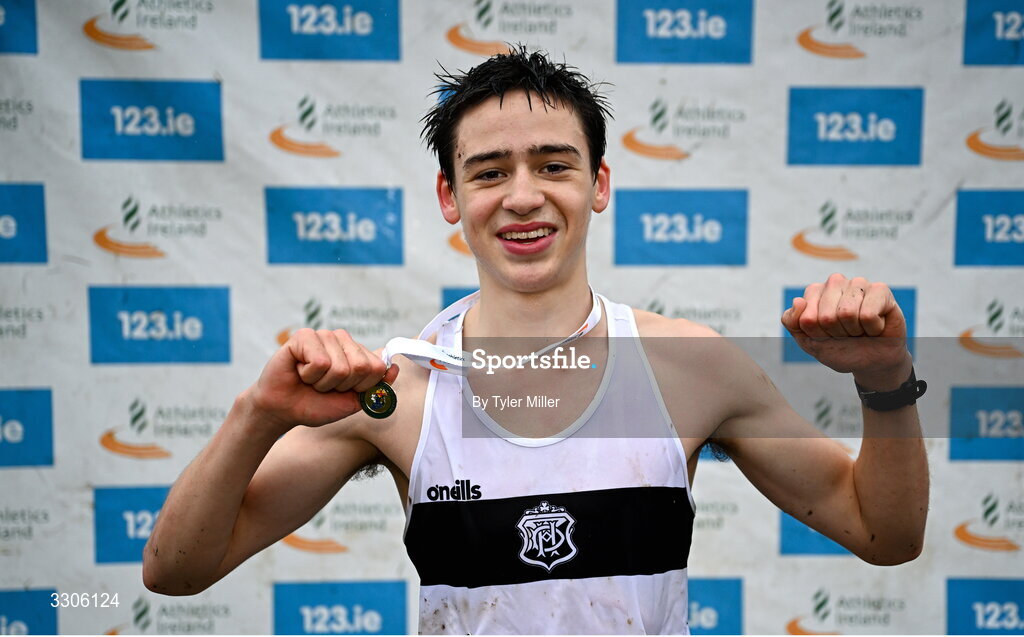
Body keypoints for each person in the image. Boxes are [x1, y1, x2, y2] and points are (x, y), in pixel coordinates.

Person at [142, 47, 928, 634]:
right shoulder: (395, 391)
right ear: (451, 196)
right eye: (489, 172)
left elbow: (883, 532)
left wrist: (885, 379)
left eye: (553, 164)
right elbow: (176, 571)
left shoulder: (688, 365)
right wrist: (257, 413)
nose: (523, 196)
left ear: (600, 184)